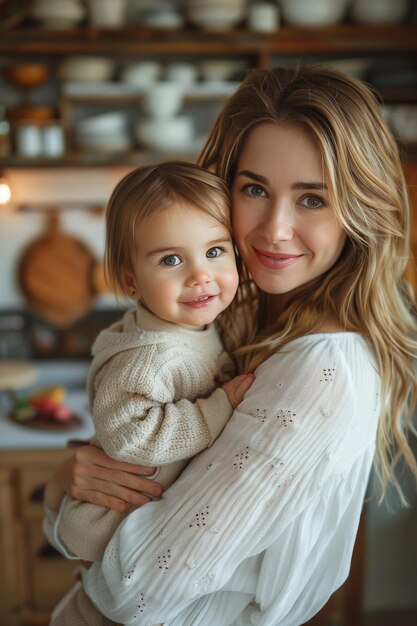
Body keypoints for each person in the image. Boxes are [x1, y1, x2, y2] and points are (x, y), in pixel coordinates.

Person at [44, 64, 417, 626]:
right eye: (254, 189)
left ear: (360, 210)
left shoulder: (324, 368)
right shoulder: (238, 320)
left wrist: (63, 513)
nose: (273, 229)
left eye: (312, 199)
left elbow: (137, 586)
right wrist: (65, 484)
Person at [46, 160, 255, 625]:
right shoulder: (151, 355)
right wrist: (218, 408)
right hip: (111, 536)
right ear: (129, 280)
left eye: (216, 251)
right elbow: (130, 437)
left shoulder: (196, 325)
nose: (201, 275)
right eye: (171, 259)